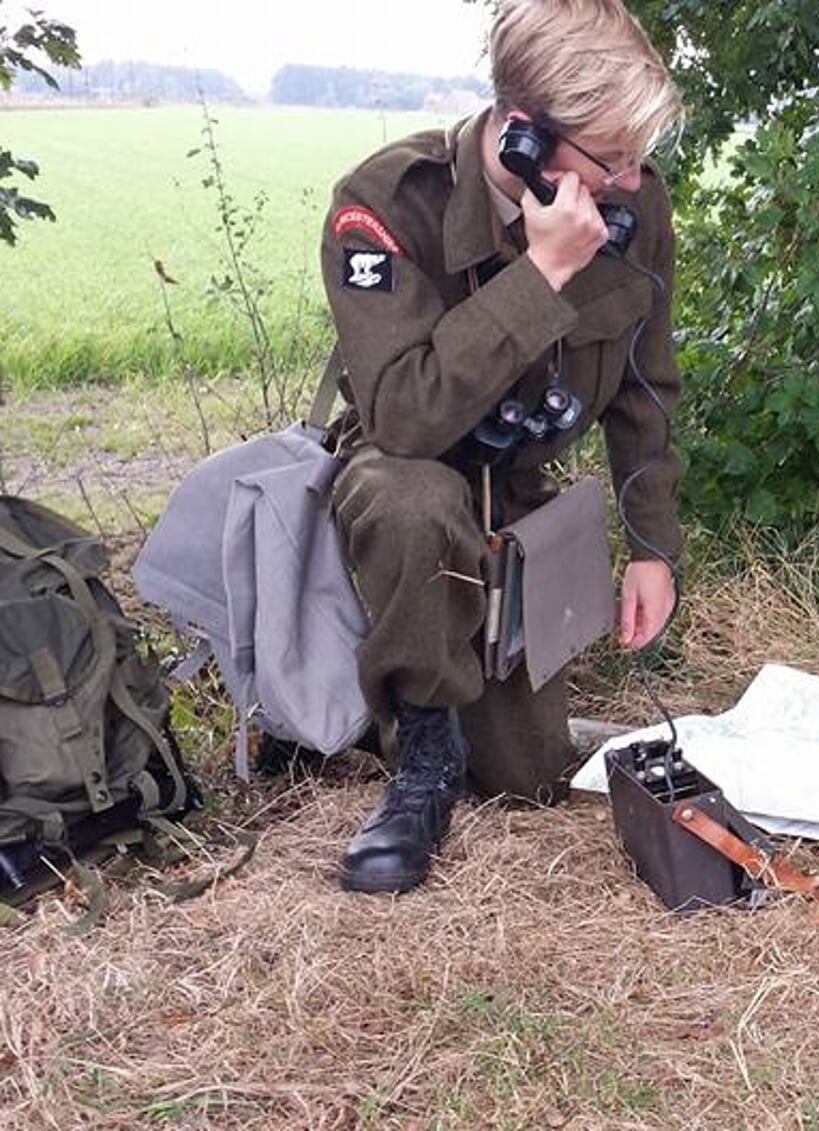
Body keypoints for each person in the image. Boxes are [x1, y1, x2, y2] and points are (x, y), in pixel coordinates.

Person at [320, 0, 685, 892]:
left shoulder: (630, 206)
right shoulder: (384, 204)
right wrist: (542, 272)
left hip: (513, 491)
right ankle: (421, 752)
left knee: (527, 779)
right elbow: (403, 417)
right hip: (400, 475)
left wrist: (652, 550)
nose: (632, 182)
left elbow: (644, 388)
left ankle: (415, 697)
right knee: (416, 501)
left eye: (643, 158)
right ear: (523, 137)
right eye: (613, 158)